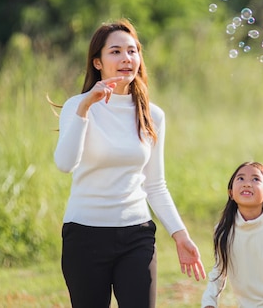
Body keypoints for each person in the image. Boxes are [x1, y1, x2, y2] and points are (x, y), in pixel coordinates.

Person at [53, 18, 205, 308]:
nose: (126, 58)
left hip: (137, 235)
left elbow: (155, 184)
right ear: (97, 62)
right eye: (116, 51)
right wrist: (86, 107)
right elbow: (65, 163)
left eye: (132, 51)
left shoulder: (153, 115)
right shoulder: (77, 105)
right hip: (84, 235)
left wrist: (180, 234)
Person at [201, 161, 263, 308]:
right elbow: (218, 272)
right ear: (231, 193)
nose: (247, 183)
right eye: (240, 178)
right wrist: (209, 302)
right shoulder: (224, 231)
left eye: (255, 179)